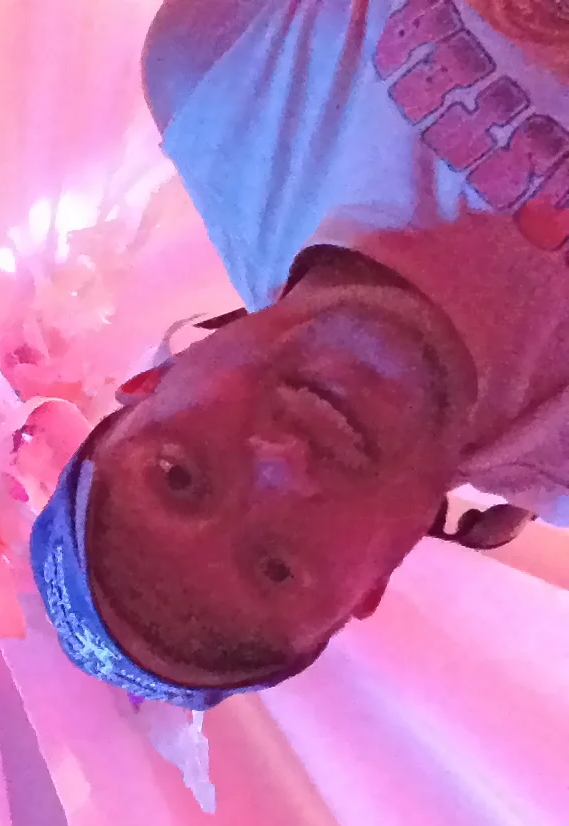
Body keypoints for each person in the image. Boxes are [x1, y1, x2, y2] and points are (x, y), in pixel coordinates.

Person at [31, 0, 569, 709]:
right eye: (277, 567)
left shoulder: (219, 72)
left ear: (151, 381)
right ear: (369, 585)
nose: (283, 461)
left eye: (181, 476)